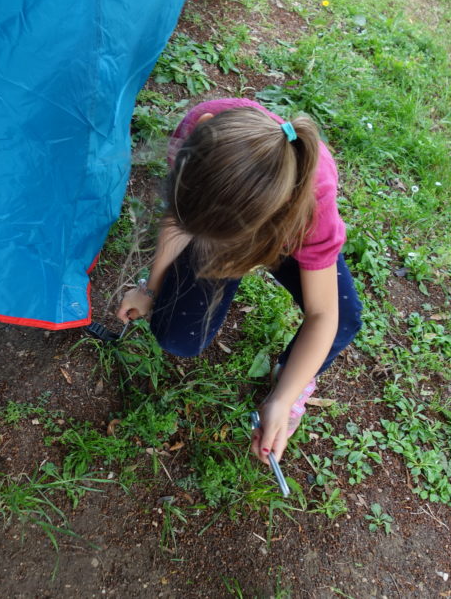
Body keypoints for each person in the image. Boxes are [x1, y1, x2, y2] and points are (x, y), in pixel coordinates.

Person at [117, 98, 363, 466]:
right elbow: (180, 216)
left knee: (344, 319)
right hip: (241, 220)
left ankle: (292, 377)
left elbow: (323, 314)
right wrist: (150, 288)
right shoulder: (199, 134)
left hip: (285, 223)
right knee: (178, 338)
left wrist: (282, 399)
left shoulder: (314, 207)